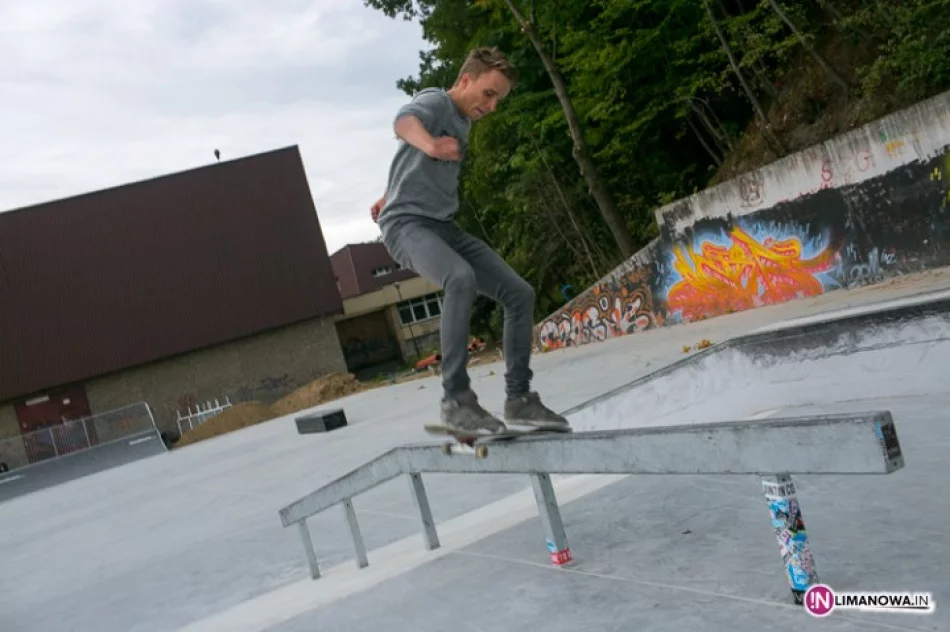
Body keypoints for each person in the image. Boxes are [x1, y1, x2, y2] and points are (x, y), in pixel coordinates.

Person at [371, 46, 570, 436]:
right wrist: (430, 145)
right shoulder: (437, 101)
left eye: (499, 100)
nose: (492, 106)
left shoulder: (464, 123)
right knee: (459, 278)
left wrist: (389, 190)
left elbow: (411, 165)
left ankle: (519, 398)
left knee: (519, 293)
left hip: (442, 225)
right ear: (465, 80)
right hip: (406, 227)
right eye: (489, 94)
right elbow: (403, 121)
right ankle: (456, 401)